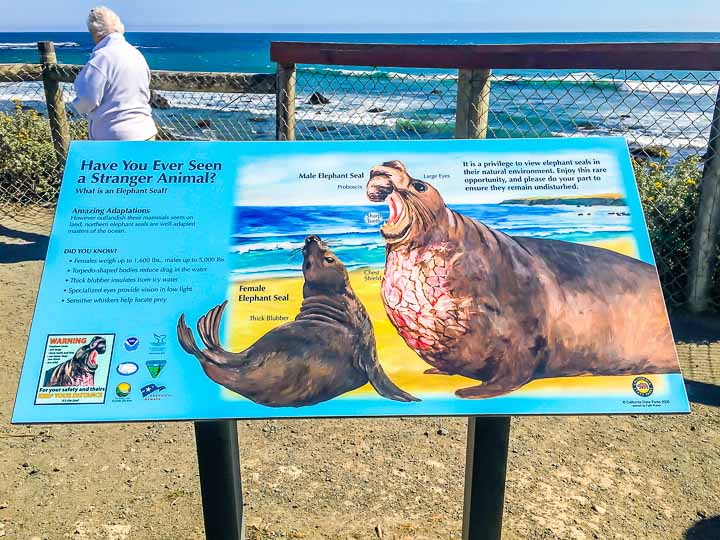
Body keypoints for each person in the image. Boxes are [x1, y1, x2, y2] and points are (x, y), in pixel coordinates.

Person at [72, 6, 157, 141]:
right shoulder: (135, 54)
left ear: (94, 33)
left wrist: (76, 104)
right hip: (146, 131)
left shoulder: (102, 58)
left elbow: (88, 99)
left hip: (115, 137)